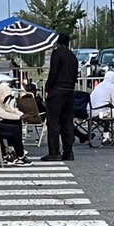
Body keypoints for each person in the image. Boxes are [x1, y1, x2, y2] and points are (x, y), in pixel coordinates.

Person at [42, 33, 78, 162]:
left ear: (58, 42)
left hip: (57, 91)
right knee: (67, 122)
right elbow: (75, 75)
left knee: (54, 122)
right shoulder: (73, 56)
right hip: (69, 91)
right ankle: (68, 152)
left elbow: (53, 72)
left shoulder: (57, 53)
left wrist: (47, 88)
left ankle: (54, 152)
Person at [88, 70, 114, 145]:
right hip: (101, 111)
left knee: (109, 111)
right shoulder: (112, 87)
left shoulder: (99, 85)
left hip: (91, 111)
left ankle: (106, 136)